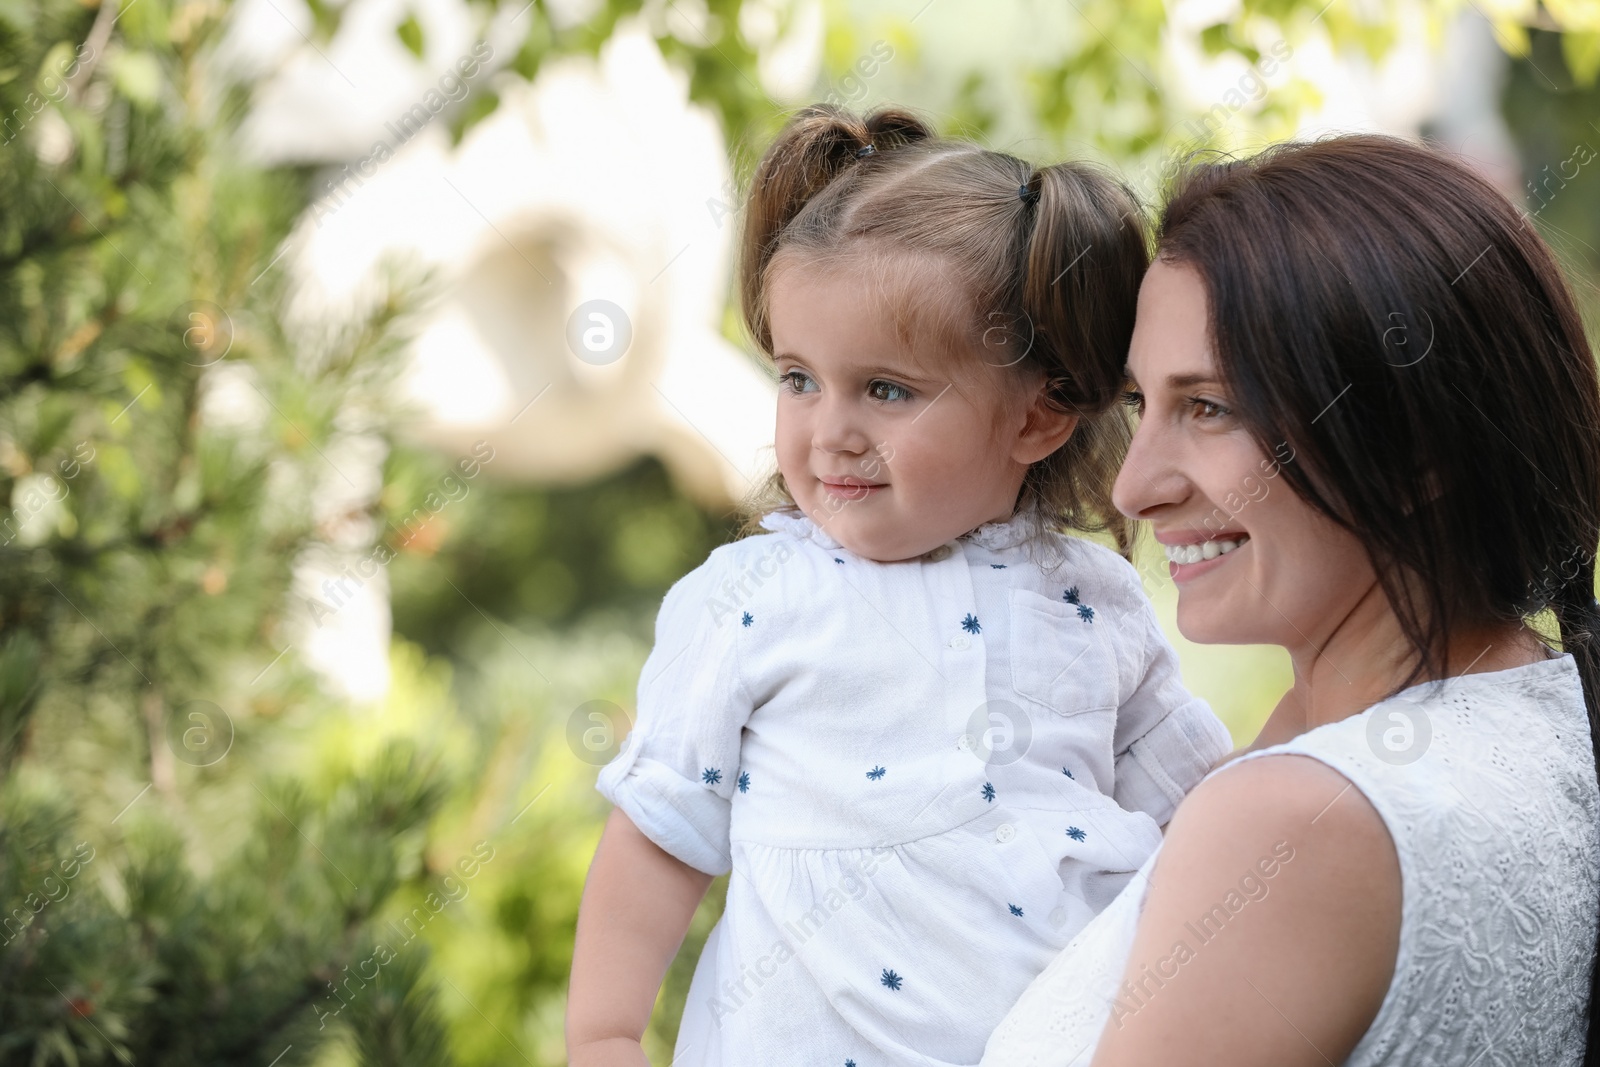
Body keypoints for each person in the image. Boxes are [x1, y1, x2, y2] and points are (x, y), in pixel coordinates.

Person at [564, 103, 1234, 1067]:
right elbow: (661, 831)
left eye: (885, 389)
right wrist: (605, 1035)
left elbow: (1205, 810)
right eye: (799, 378)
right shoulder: (752, 599)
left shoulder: (1093, 598)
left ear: (1039, 417)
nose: (828, 429)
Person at [981, 134, 1600, 1066]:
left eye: (1212, 407)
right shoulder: (1544, 717)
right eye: (1143, 403)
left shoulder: (1301, 821)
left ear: (1416, 454)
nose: (1133, 487)